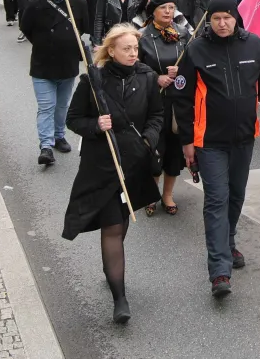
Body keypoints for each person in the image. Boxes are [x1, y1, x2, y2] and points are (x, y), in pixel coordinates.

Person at [173, 0, 260, 298]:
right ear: (209, 19)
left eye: (227, 18)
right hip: (209, 142)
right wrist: (187, 142)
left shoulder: (254, 45)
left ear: (237, 17)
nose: (222, 23)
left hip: (244, 138)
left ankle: (229, 242)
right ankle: (219, 270)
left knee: (236, 197)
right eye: (216, 18)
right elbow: (182, 101)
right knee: (217, 200)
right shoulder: (196, 49)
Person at [62, 24, 163, 324]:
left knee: (122, 221)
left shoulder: (147, 79)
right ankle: (119, 297)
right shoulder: (92, 81)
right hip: (102, 166)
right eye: (126, 49)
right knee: (112, 229)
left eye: (135, 48)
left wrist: (148, 140)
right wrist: (96, 126)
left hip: (134, 163)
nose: (133, 53)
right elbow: (73, 119)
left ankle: (112, 269)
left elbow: (157, 115)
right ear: (111, 51)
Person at [19, 0, 88, 166]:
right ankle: (46, 146)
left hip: (67, 65)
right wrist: (45, 43)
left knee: (62, 105)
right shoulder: (35, 5)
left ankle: (59, 135)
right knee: (46, 106)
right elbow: (26, 28)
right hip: (43, 65)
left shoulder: (78, 4)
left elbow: (82, 28)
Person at [136, 0, 192, 216]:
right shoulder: (142, 37)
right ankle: (151, 192)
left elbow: (193, 63)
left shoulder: (183, 34)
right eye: (163, 8)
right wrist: (155, 76)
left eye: (171, 7)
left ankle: (167, 195)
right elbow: (135, 67)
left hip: (178, 104)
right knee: (154, 150)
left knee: (174, 152)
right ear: (153, 12)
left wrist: (182, 70)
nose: (168, 12)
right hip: (154, 103)